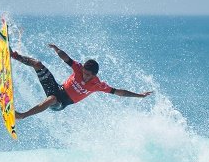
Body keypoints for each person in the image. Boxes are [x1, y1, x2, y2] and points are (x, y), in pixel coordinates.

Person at [10, 44, 153, 120]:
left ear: (94, 75)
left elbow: (119, 92)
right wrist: (57, 49)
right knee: (38, 64)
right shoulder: (78, 68)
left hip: (61, 103)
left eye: (88, 75)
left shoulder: (97, 85)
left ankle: (22, 116)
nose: (85, 76)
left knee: (52, 99)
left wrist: (139, 95)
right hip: (56, 88)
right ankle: (14, 55)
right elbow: (66, 58)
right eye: (84, 72)